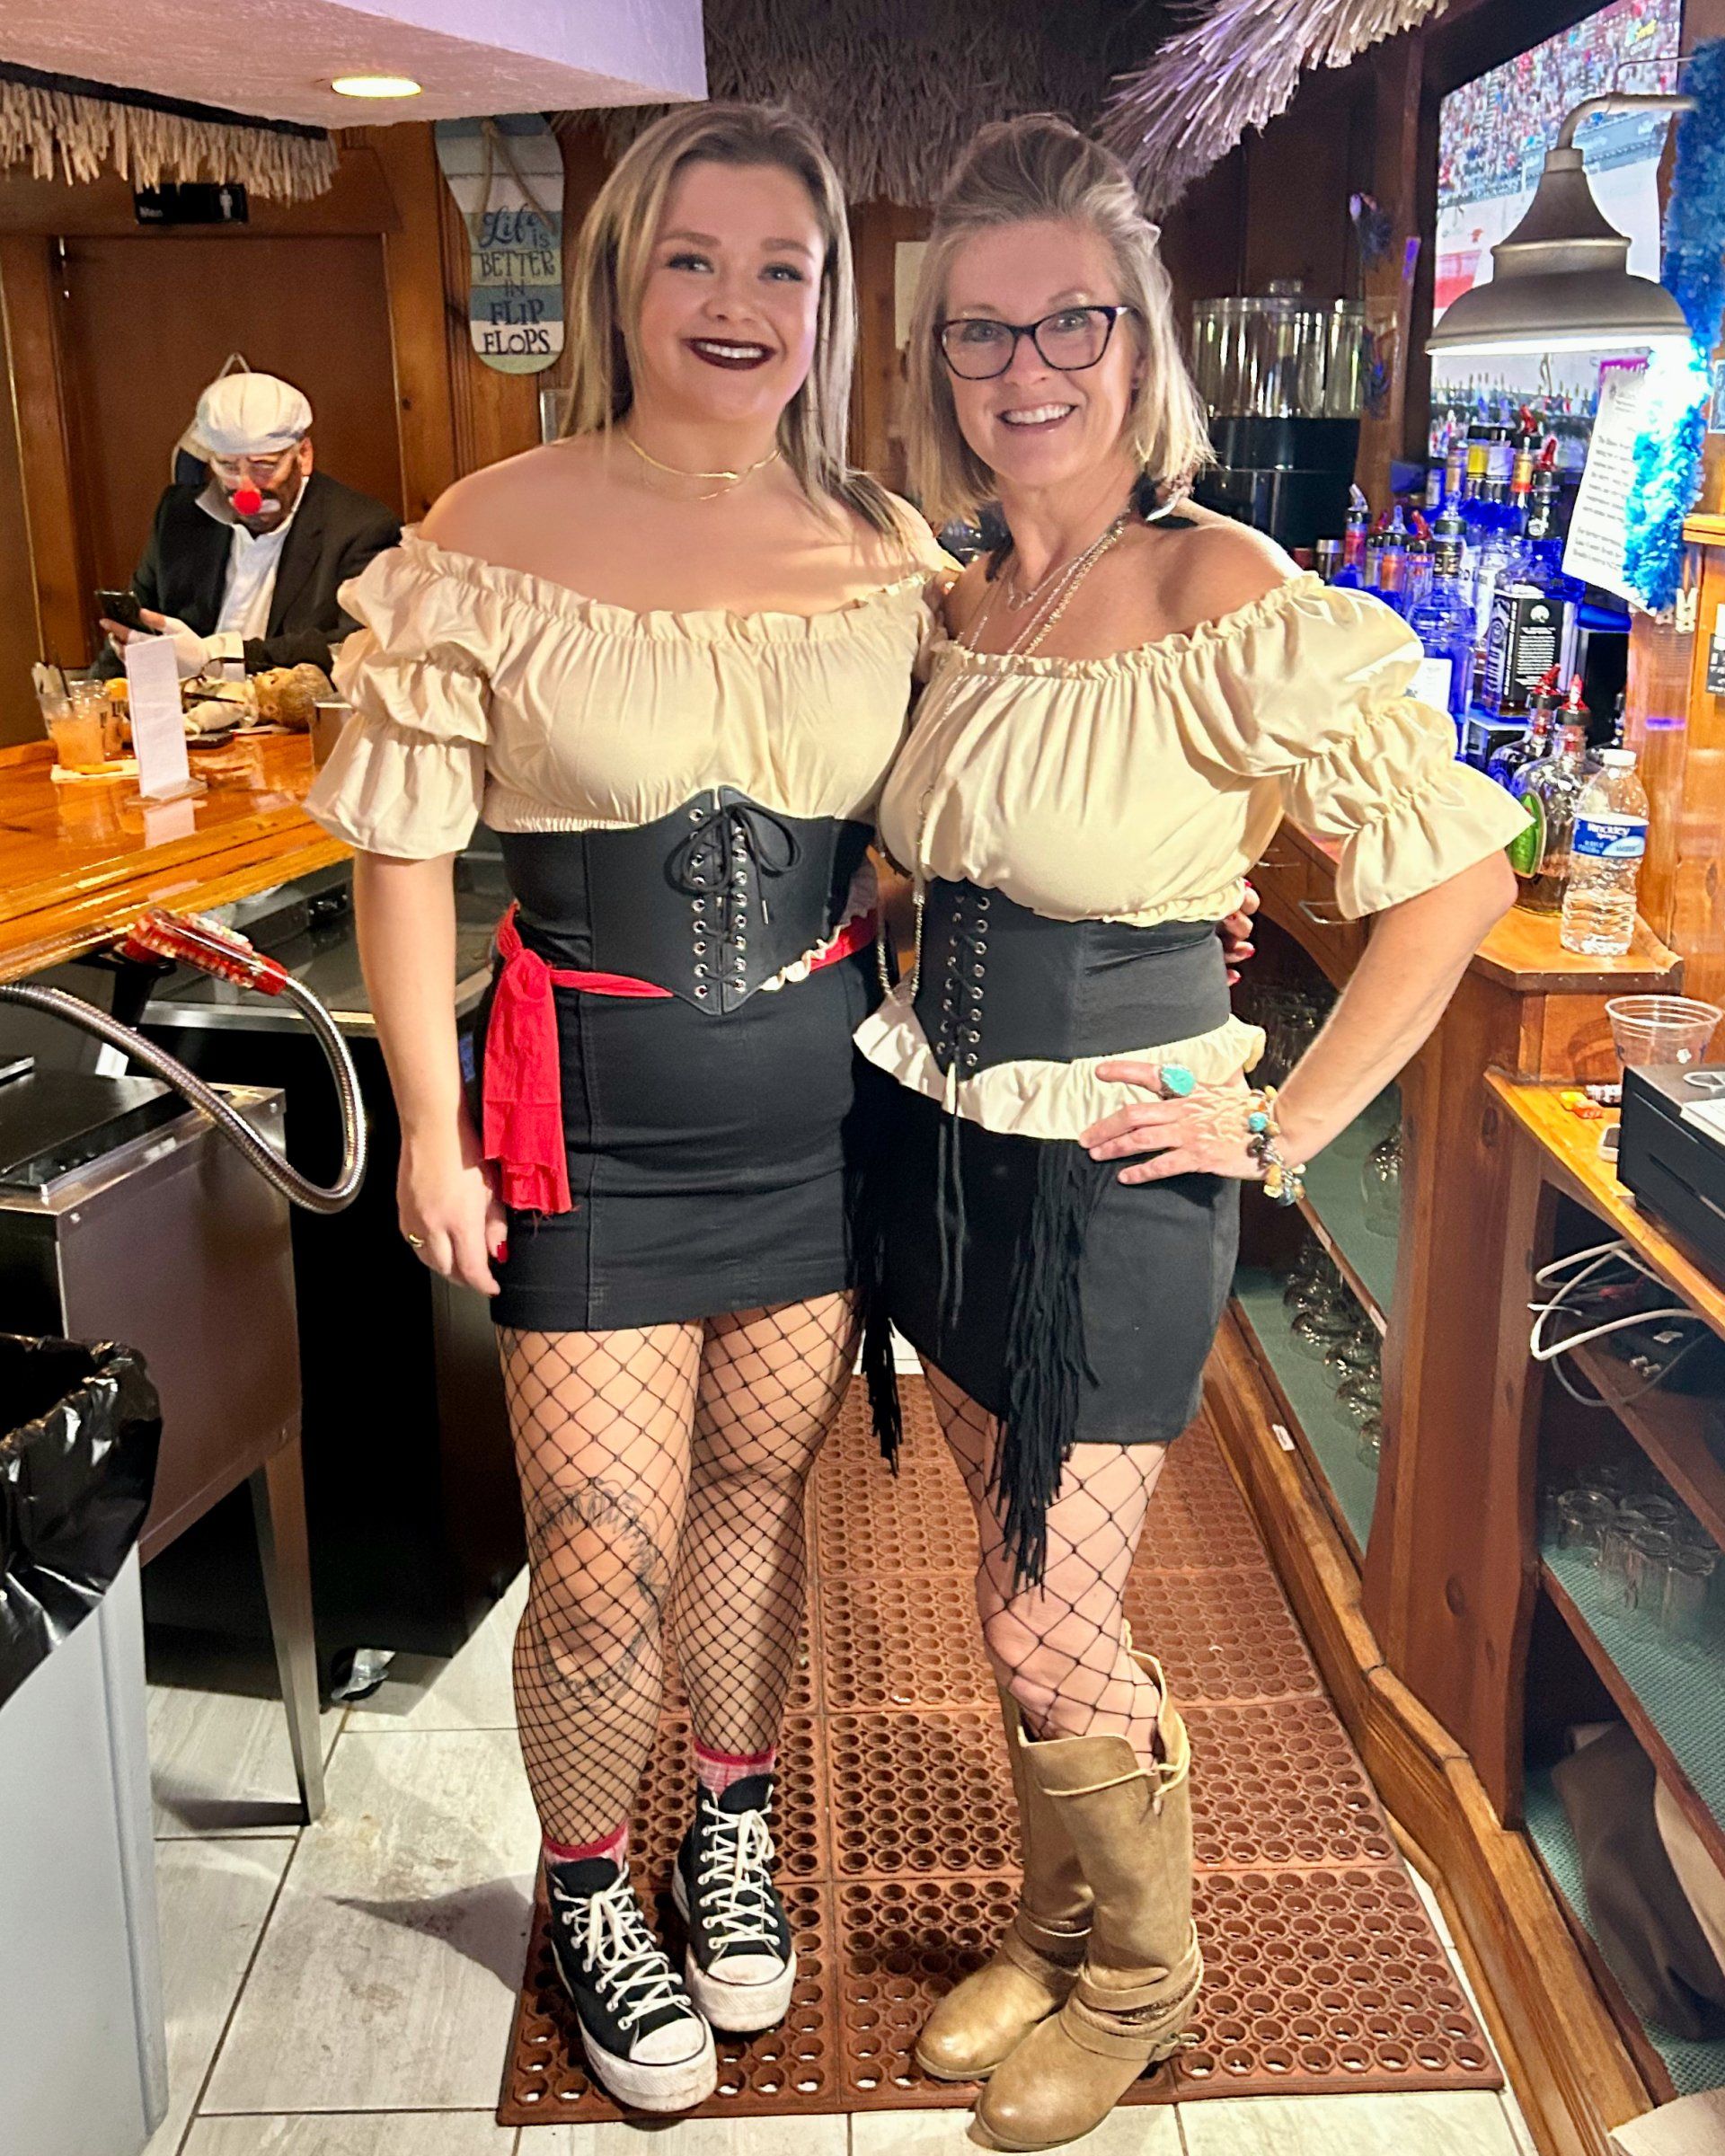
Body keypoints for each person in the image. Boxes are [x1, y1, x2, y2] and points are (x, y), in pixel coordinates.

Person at [862, 116, 1528, 2152]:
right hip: (939, 1127)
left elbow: (1454, 875)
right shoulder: (959, 587)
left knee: (1035, 1604)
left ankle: (1146, 1976)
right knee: (1015, 1566)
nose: (1026, 367)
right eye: (984, 333)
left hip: (1115, 1161)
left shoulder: (1217, 583)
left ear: (1139, 349)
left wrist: (1286, 1117)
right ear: (942, 365)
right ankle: (1060, 1915)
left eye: (1072, 320)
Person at [302, 104, 948, 2115]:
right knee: (596, 1544)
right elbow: (404, 852)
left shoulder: (884, 548)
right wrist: (425, 1126)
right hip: (583, 1119)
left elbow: (947, 830)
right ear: (622, 282)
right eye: (696, 261)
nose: (739, 304)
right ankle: (593, 1883)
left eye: (785, 267)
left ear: (832, 303)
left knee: (761, 1504)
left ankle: (724, 1826)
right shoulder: (487, 533)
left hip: (818, 1115)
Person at [99, 370, 399, 679]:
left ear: (304, 455)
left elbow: (353, 647)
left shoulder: (361, 528)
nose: (246, 489)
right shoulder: (179, 516)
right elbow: (135, 629)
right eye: (227, 466)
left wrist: (216, 659)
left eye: (264, 466)